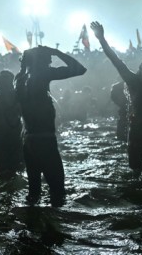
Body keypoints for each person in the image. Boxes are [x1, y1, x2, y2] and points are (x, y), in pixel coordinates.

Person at [14, 46, 86, 206]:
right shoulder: (42, 74)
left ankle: (32, 225)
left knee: (34, 193)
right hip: (45, 141)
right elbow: (80, 69)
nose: (51, 60)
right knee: (58, 193)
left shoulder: (19, 78)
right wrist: (57, 51)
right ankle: (54, 229)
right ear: (41, 60)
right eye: (49, 57)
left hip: (28, 141)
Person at [91, 21, 142, 176]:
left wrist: (101, 38)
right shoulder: (135, 82)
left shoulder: (135, 81)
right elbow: (115, 60)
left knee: (137, 174)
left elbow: (116, 61)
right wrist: (101, 39)